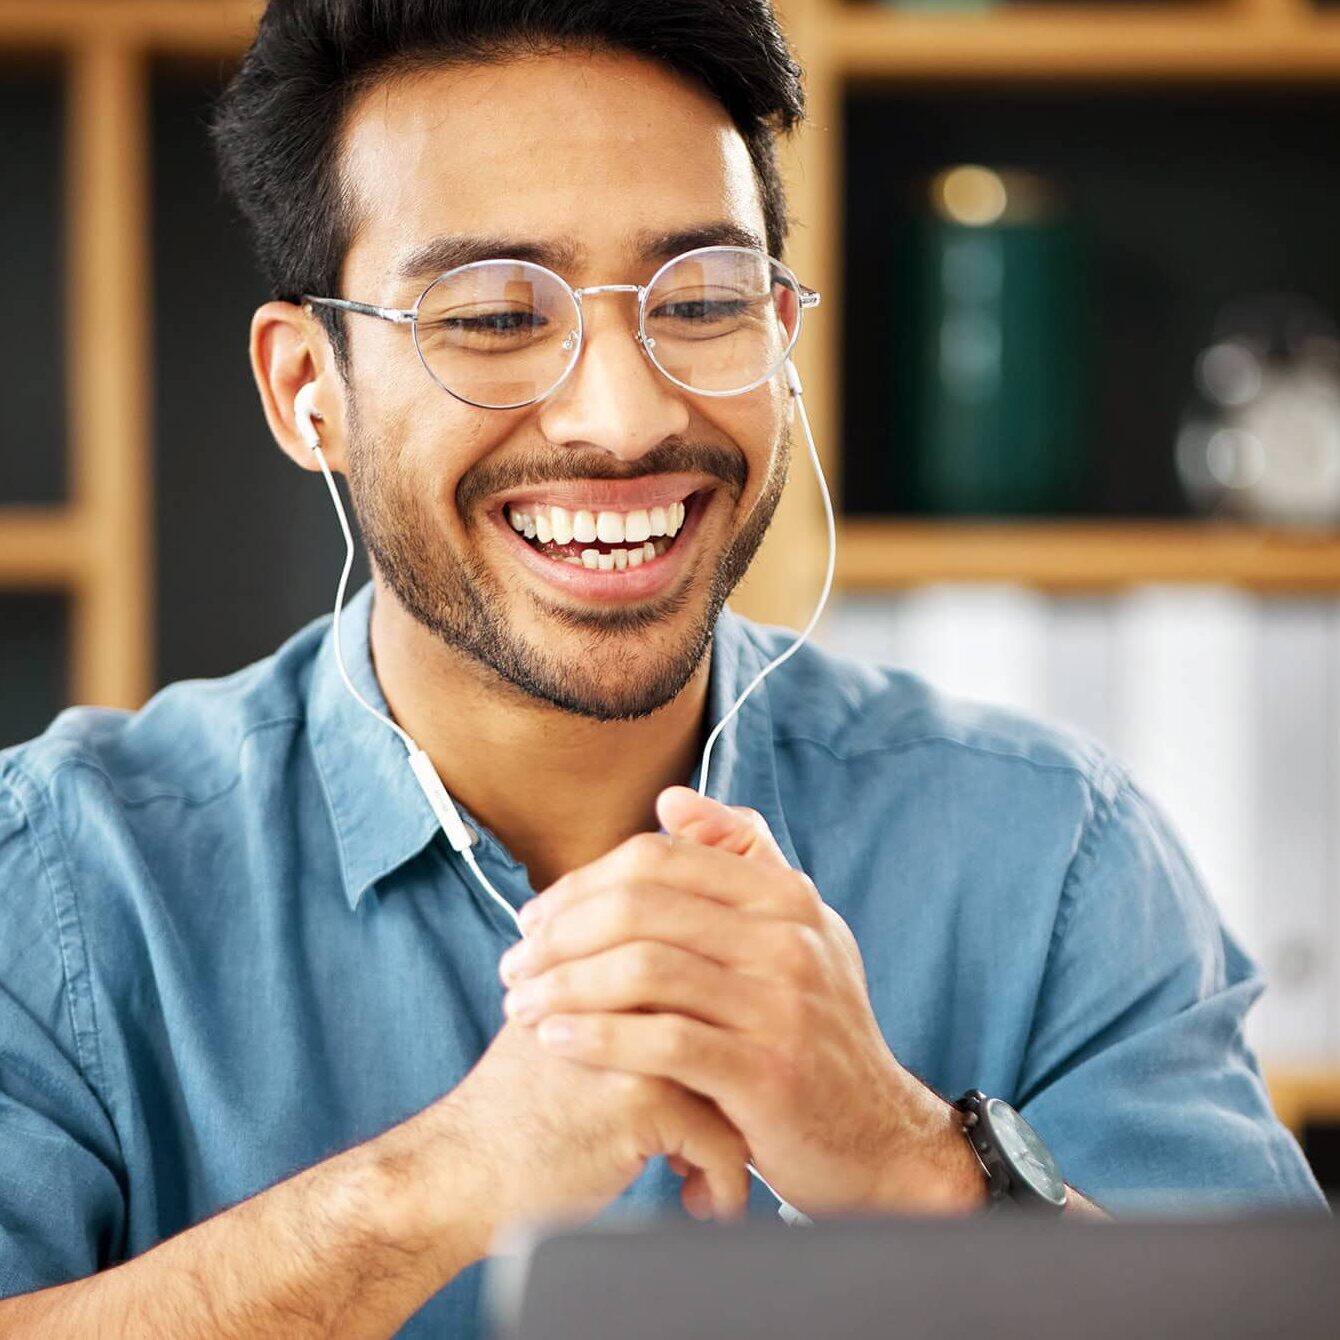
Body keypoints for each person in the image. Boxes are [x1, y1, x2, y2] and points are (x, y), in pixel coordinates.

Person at [0, 0, 1325, 1334]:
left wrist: (915, 1166)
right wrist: (442, 1183)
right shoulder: (60, 879)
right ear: (310, 391)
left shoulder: (1050, 854)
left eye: (701, 300)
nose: (625, 415)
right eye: (493, 314)